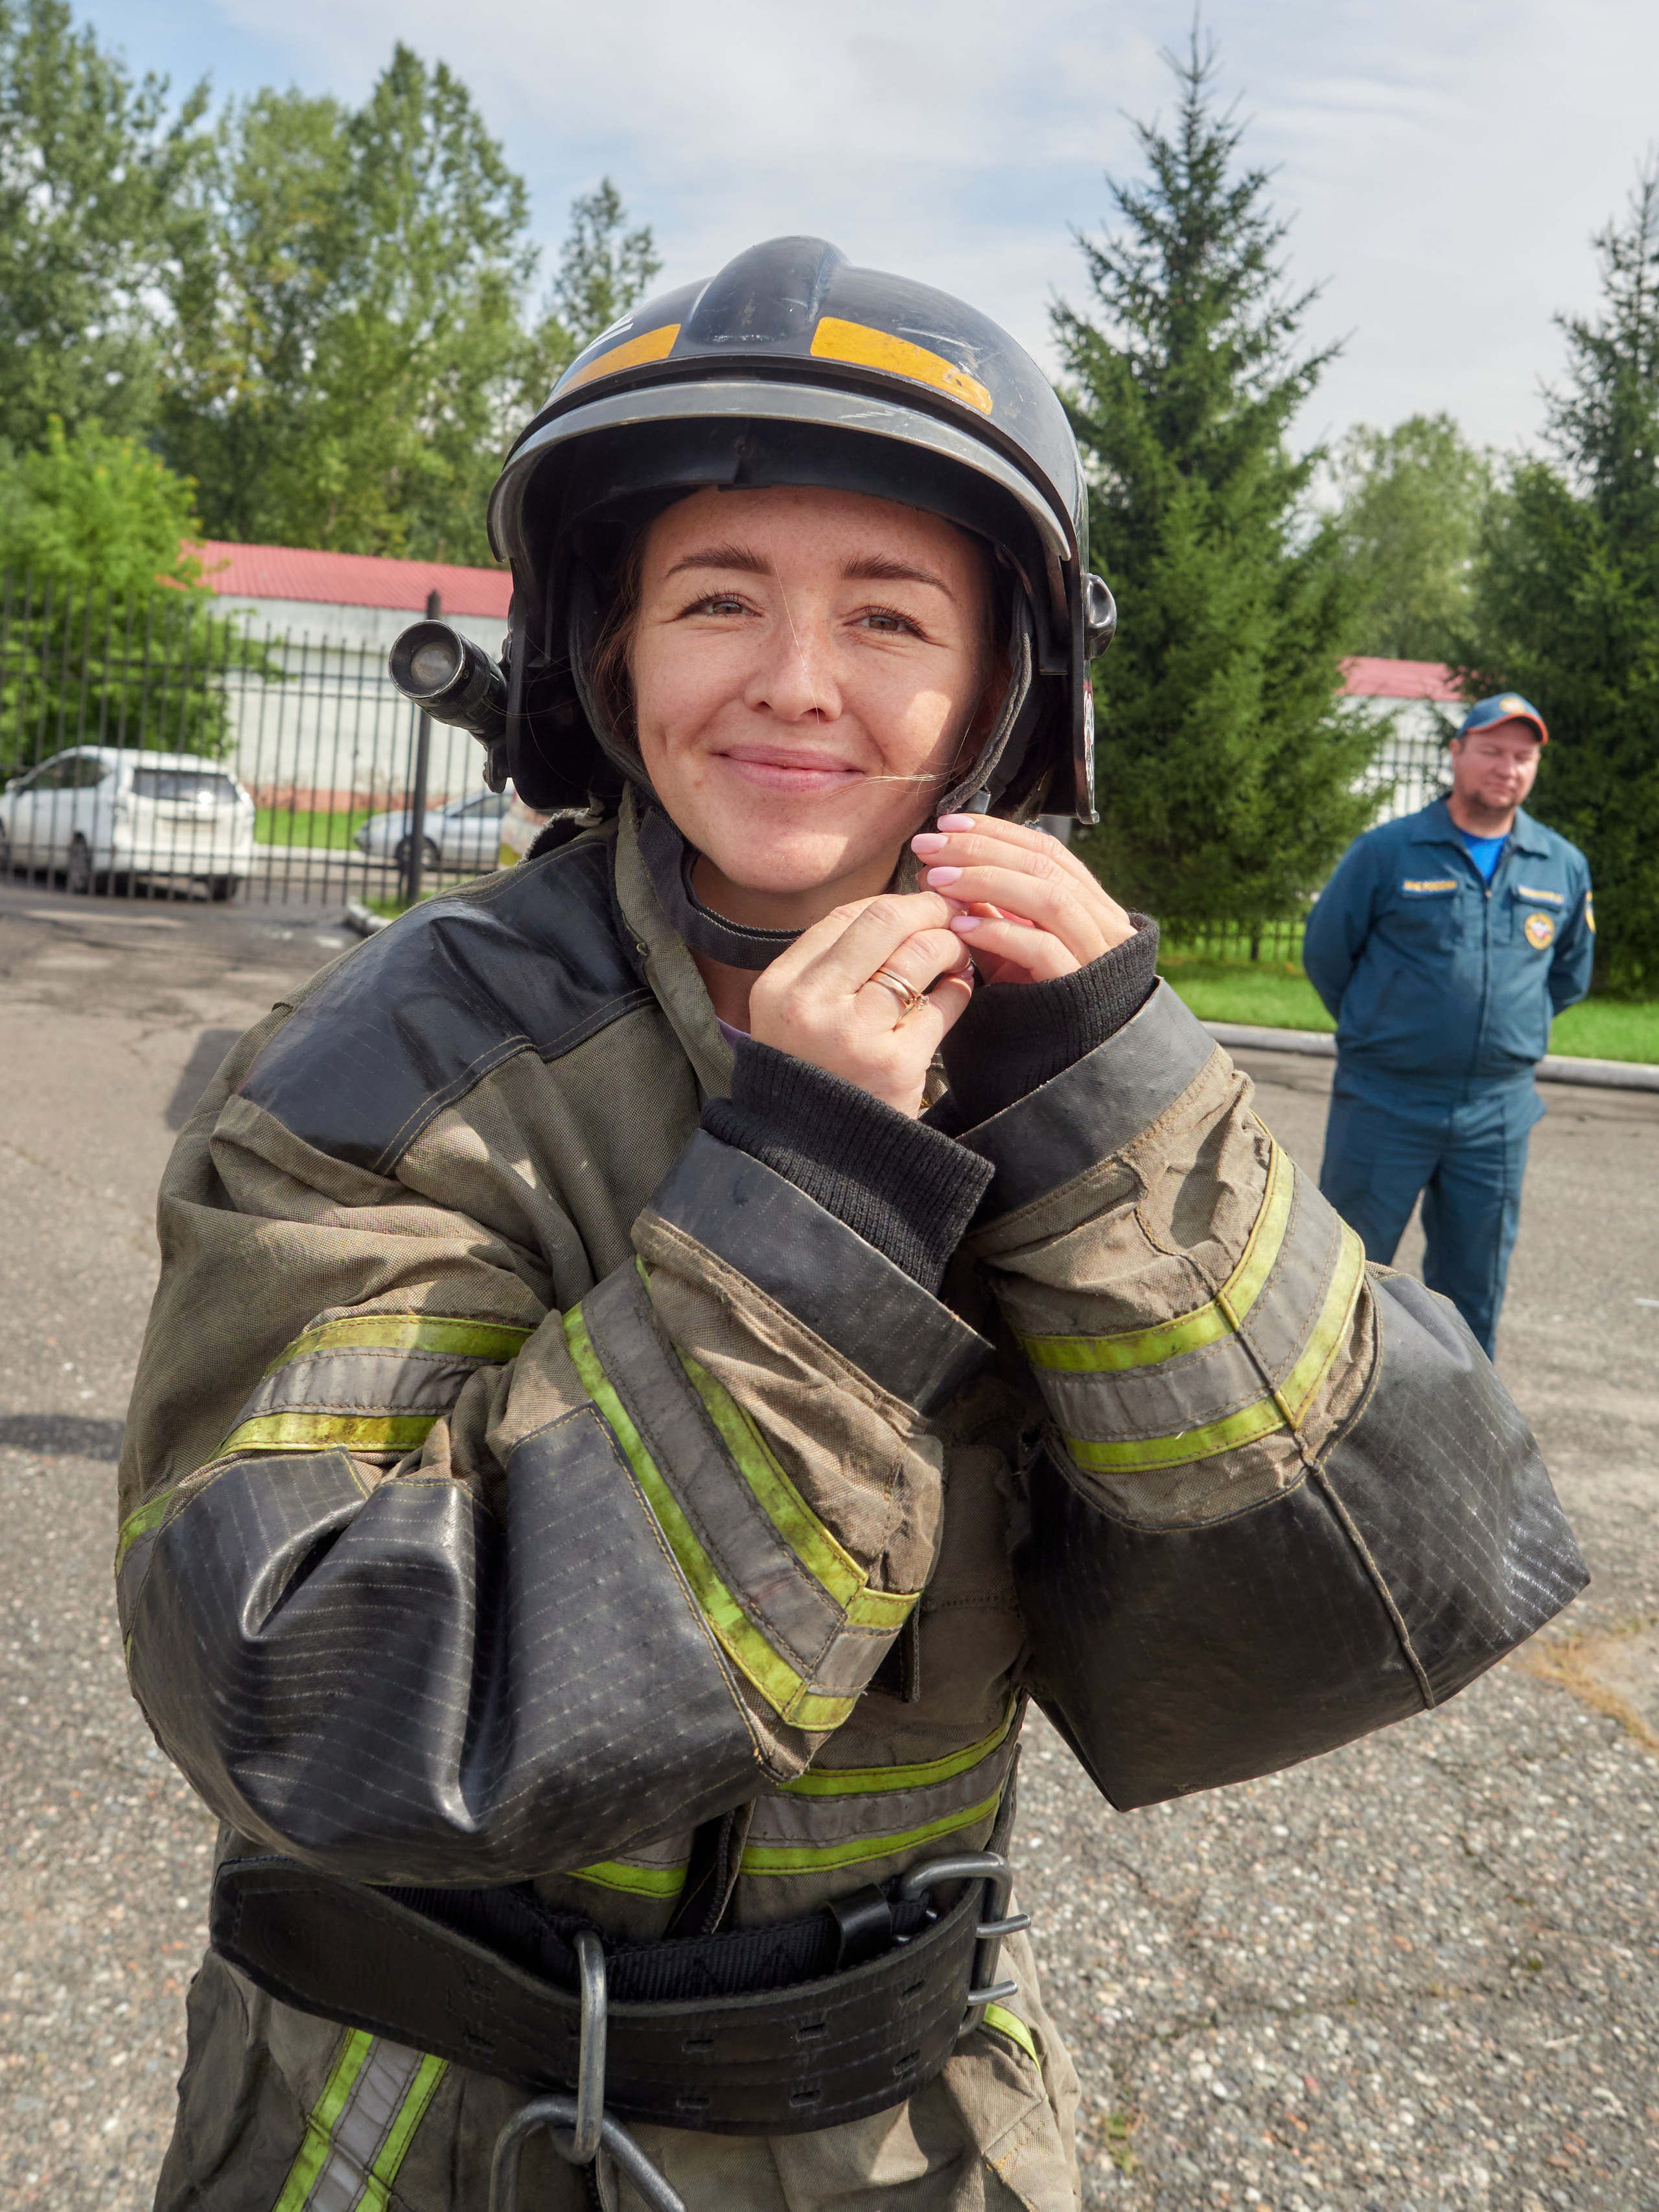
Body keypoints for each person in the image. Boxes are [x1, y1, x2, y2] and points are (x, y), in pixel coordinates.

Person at [117, 242, 1585, 2212]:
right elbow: (295, 1689)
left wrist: (1113, 1115)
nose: (797, 679)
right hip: (401, 2132)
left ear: (1004, 682)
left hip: (901, 2137)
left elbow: (1351, 1606)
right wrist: (809, 1201)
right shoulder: (393, 1059)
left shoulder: (1067, 1047)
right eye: (717, 598)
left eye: (888, 613)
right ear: (609, 651)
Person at [1303, 693, 1595, 1359]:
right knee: (1351, 1270)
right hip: (1384, 1100)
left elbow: (1570, 974)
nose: (1507, 767)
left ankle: (1464, 1423)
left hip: (1496, 1110)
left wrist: (1502, 1035)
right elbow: (1327, 954)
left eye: (1523, 756)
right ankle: (1332, 1425)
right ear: (1457, 753)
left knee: (1474, 1284)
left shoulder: (1560, 865)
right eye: (1491, 750)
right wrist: (1390, 1031)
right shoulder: (1387, 851)